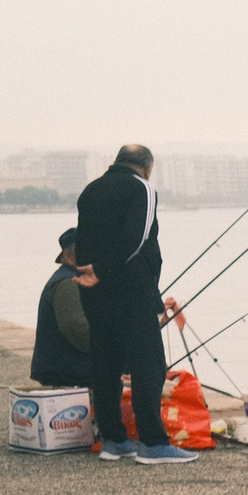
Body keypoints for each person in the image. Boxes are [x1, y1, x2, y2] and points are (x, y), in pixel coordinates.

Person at [74, 143, 196, 464]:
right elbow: (137, 238)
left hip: (93, 290)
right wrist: (104, 270)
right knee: (149, 365)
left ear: (116, 161)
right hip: (131, 291)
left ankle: (114, 440)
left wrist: (92, 273)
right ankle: (153, 444)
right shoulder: (142, 188)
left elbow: (84, 238)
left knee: (106, 364)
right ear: (148, 168)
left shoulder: (90, 190)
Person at [28, 227, 95, 391]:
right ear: (73, 254)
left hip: (71, 371)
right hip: (67, 376)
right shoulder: (68, 283)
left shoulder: (73, 279)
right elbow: (78, 330)